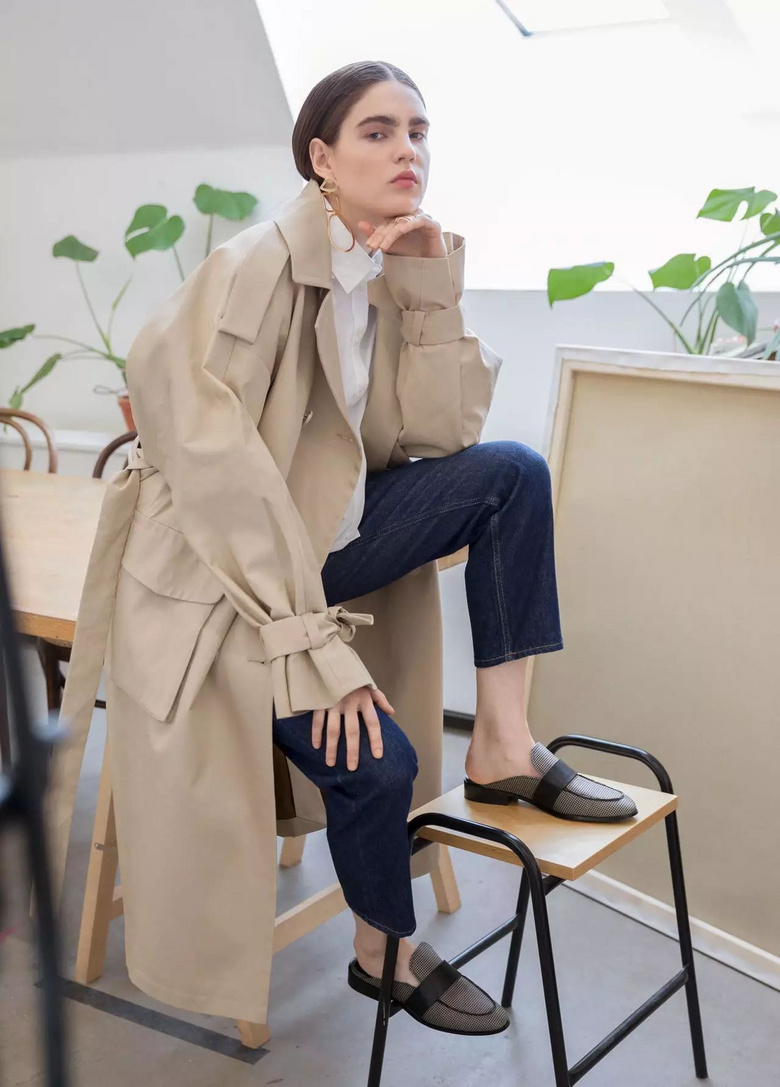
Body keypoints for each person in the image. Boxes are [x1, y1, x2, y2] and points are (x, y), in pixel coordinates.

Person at [48, 59, 635, 1036]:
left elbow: (442, 436)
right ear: (320, 158)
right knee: (379, 757)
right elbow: (216, 477)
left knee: (512, 473)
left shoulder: (380, 269)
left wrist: (430, 290)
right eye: (378, 131)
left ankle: (501, 742)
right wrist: (309, 643)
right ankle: (382, 952)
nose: (408, 150)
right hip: (224, 576)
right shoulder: (254, 267)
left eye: (418, 131)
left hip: (322, 543)